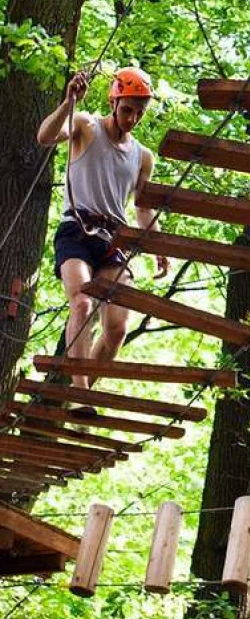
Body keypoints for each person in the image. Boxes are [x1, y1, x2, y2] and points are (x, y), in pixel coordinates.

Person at [37, 67, 169, 400]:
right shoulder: (85, 125)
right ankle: (79, 389)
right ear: (113, 101)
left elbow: (142, 207)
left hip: (114, 241)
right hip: (76, 231)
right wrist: (69, 103)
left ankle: (83, 394)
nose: (133, 118)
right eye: (127, 109)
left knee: (117, 329)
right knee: (81, 304)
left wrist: (158, 245)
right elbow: (45, 136)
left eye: (140, 112)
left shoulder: (143, 157)